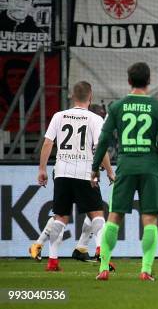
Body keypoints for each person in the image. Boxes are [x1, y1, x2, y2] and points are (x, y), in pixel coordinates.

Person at [92, 62, 158, 281]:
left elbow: (103, 140)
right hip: (149, 166)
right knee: (149, 219)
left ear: (129, 81)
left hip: (126, 165)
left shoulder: (117, 107)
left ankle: (103, 268)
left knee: (114, 216)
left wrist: (94, 167)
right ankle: (145, 270)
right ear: (149, 81)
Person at [34, 81, 114, 272]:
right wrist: (110, 171)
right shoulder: (95, 119)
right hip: (86, 173)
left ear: (71, 96)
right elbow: (100, 148)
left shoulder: (58, 116)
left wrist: (42, 169)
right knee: (97, 213)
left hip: (61, 172)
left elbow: (47, 143)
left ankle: (53, 261)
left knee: (60, 216)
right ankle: (103, 255)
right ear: (91, 96)